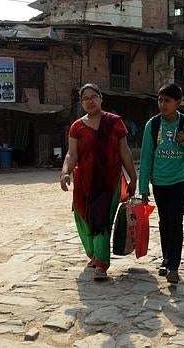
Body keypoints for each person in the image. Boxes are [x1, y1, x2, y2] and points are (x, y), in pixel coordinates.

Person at [59, 83, 137, 280]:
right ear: (81, 103)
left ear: (101, 99)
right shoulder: (77, 127)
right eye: (85, 98)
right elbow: (71, 154)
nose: (90, 101)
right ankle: (94, 255)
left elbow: (125, 152)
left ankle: (101, 265)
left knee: (101, 220)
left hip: (109, 182)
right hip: (84, 183)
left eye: (93, 96)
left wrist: (133, 177)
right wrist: (65, 172)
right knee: (83, 219)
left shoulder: (115, 122)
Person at [139, 83, 184, 284]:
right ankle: (166, 260)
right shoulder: (152, 125)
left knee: (175, 220)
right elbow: (146, 157)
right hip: (159, 181)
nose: (162, 104)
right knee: (164, 221)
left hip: (180, 179)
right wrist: (143, 187)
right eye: (160, 100)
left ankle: (173, 266)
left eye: (167, 100)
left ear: (178, 103)